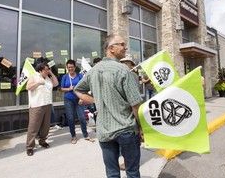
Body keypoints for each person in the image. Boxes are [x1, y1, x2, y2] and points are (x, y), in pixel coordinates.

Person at [74, 34, 143, 178]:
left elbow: (78, 90)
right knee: (132, 172)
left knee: (112, 173)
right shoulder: (123, 70)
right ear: (111, 48)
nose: (126, 47)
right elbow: (136, 105)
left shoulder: (93, 71)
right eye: (122, 44)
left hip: (104, 131)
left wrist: (96, 100)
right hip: (126, 129)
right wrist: (142, 127)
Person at [25, 62, 58, 156]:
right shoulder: (34, 77)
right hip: (37, 105)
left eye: (48, 69)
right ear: (40, 70)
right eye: (46, 70)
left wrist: (51, 74)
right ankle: (30, 146)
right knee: (33, 127)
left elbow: (56, 84)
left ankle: (42, 141)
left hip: (47, 104)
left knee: (45, 126)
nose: (47, 71)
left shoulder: (48, 78)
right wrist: (38, 83)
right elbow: (28, 87)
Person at [60, 59, 95, 144]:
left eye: (72, 67)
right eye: (69, 67)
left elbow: (85, 87)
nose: (70, 69)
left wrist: (82, 98)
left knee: (82, 118)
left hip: (79, 99)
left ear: (75, 67)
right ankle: (73, 136)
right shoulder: (65, 77)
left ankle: (86, 135)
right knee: (70, 118)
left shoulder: (79, 76)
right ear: (67, 67)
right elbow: (61, 89)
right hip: (68, 100)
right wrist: (69, 89)